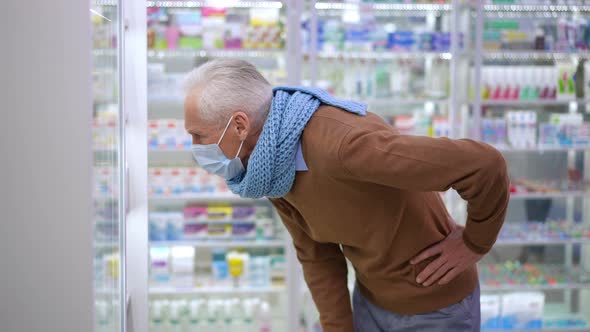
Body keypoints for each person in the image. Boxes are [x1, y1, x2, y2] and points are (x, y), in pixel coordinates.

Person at [183, 59, 510, 332]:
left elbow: (483, 165)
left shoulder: (344, 146)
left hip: (436, 310)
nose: (196, 148)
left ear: (240, 125)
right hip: (369, 300)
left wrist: (475, 242)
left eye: (199, 135)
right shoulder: (268, 164)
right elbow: (316, 254)